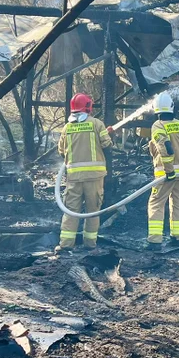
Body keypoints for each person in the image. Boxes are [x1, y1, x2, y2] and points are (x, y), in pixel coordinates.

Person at [56, 93, 113, 253]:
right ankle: (89, 244)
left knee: (70, 212)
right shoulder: (96, 124)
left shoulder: (67, 128)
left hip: (73, 178)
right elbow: (107, 144)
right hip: (94, 177)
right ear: (88, 106)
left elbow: (61, 151)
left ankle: (66, 245)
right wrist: (108, 134)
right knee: (93, 212)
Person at [146, 91, 179, 247]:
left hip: (165, 174)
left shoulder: (158, 125)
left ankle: (155, 241)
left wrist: (169, 170)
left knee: (156, 204)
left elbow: (165, 149)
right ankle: (177, 238)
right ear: (172, 107)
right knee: (178, 204)